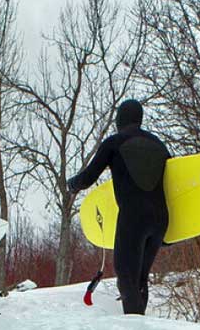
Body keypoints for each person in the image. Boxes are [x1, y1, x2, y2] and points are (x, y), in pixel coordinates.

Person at [67, 99, 171, 315]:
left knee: (126, 278)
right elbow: (174, 181)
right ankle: (143, 328)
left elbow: (88, 177)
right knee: (140, 278)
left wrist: (72, 184)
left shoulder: (114, 143)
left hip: (134, 219)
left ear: (119, 118)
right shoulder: (159, 144)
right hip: (160, 219)